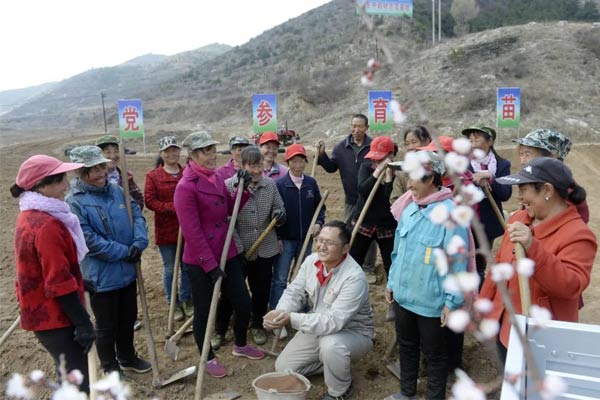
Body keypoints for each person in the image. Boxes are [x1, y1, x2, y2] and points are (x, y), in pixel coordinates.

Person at [479, 157, 597, 362]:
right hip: (505, 328)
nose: (519, 198)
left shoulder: (578, 235)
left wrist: (533, 247)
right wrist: (483, 305)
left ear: (548, 191)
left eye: (524, 190)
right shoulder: (519, 219)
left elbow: (570, 286)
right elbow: (499, 266)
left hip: (542, 339)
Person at [174, 131, 264, 379]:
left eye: (213, 149)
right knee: (204, 311)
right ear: (192, 155)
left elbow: (230, 206)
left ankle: (240, 344)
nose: (212, 154)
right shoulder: (185, 187)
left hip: (228, 251)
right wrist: (210, 265)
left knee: (243, 302)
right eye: (205, 151)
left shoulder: (215, 178)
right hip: (201, 261)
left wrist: (244, 188)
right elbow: (192, 233)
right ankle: (207, 357)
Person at [384, 152, 469, 400]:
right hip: (403, 295)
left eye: (414, 178)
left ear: (431, 177)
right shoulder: (410, 208)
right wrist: (391, 283)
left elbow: (458, 262)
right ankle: (406, 393)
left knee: (435, 355)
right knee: (407, 346)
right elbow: (397, 252)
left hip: (431, 302)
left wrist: (451, 302)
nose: (409, 185)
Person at [11, 155, 95, 393]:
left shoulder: (30, 214)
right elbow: (57, 281)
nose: (67, 184)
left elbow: (47, 266)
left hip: (44, 308)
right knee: (76, 379)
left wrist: (79, 282)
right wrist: (82, 323)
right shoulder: (47, 225)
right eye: (61, 180)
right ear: (43, 185)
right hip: (54, 316)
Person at [264, 220, 374, 400]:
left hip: (353, 333)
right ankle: (335, 366)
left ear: (345, 248)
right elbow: (295, 291)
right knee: (284, 367)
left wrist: (291, 318)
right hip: (318, 325)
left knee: (331, 346)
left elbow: (334, 322)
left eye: (329, 242)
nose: (322, 246)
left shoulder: (354, 278)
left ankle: (339, 390)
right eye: (319, 240)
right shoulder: (312, 261)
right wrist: (281, 311)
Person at [66, 145, 151, 375]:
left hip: (128, 270)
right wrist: (125, 251)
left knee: (128, 318)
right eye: (95, 169)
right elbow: (89, 241)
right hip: (101, 276)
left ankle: (127, 357)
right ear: (81, 172)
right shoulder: (75, 201)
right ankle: (110, 366)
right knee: (106, 326)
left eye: (102, 166)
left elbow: (137, 216)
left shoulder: (116, 190)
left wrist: (139, 242)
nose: (102, 172)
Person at [216, 146, 286, 346]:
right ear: (241, 165)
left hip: (265, 247)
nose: (256, 170)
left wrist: (279, 215)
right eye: (252, 166)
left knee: (261, 289)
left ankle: (257, 324)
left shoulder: (270, 185)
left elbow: (279, 207)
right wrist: (238, 250)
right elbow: (227, 220)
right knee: (231, 292)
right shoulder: (230, 186)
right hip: (237, 250)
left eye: (259, 165)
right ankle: (220, 328)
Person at [316, 113, 377, 282]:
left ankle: (368, 268)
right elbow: (331, 168)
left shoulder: (373, 146)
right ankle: (350, 263)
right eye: (353, 126)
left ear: (366, 127)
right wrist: (322, 156)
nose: (356, 130)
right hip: (351, 199)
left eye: (360, 126)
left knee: (369, 234)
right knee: (348, 232)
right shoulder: (341, 147)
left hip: (369, 199)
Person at [271, 143, 326, 311]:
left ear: (305, 162)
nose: (298, 166)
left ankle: (301, 308)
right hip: (286, 240)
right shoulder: (280, 185)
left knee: (303, 276)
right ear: (288, 163)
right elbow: (274, 214)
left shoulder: (311, 183)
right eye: (294, 161)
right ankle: (278, 310)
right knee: (281, 277)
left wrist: (318, 223)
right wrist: (278, 237)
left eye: (301, 161)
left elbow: (320, 207)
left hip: (306, 239)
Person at [144, 136, 192, 322]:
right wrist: (173, 207)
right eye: (168, 151)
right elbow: (150, 201)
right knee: (170, 268)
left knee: (187, 266)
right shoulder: (153, 176)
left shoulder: (187, 172)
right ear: (161, 153)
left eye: (175, 150)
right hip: (167, 230)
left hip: (187, 228)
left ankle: (187, 299)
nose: (172, 154)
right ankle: (174, 302)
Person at [461, 125, 512, 284]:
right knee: (462, 263)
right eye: (470, 139)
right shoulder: (462, 163)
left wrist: (491, 178)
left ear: (490, 141)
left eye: (477, 138)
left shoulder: (502, 165)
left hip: (487, 224)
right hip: (464, 222)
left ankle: (478, 296)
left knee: (479, 265)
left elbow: (505, 194)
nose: (472, 142)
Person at [513, 128, 589, 223]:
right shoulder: (535, 184)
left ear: (552, 157)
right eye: (521, 154)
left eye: (527, 154)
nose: (522, 161)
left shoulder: (566, 196)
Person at [349, 135, 397, 282]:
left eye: (380, 158)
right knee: (353, 261)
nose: (376, 161)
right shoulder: (366, 166)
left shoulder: (398, 172)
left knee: (391, 264)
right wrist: (377, 172)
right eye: (374, 158)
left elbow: (392, 201)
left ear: (391, 155)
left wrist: (388, 178)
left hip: (386, 224)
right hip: (364, 220)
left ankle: (393, 294)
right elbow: (363, 189)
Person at [95, 135, 144, 211]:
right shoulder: (93, 179)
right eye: (108, 152)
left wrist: (130, 212)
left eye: (116, 151)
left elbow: (138, 199)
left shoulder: (127, 176)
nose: (113, 156)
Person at [390, 125, 432, 203]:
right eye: (407, 143)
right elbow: (395, 199)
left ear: (427, 141)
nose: (410, 147)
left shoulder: (436, 167)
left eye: (414, 142)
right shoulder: (402, 172)